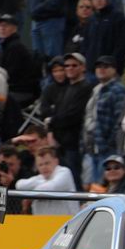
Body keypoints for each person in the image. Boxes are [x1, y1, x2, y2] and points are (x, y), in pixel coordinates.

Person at [86, 57, 125, 184]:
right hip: (94, 146)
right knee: (95, 187)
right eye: (99, 67)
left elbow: (119, 120)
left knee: (105, 185)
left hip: (108, 148)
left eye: (106, 67)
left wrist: (109, 143)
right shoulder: (96, 89)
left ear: (114, 70)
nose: (101, 69)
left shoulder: (118, 90)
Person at [49, 52, 91, 182]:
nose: (70, 68)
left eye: (74, 65)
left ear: (83, 67)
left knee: (74, 182)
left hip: (74, 144)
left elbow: (73, 116)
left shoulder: (86, 88)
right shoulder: (66, 88)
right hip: (60, 143)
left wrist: (52, 122)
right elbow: (55, 112)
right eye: (67, 66)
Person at [16, 146, 77, 211]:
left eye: (47, 163)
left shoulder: (64, 172)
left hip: (68, 217)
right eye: (40, 165)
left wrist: (30, 194)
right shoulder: (40, 178)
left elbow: (51, 188)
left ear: (56, 161)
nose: (44, 167)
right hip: (43, 217)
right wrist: (40, 185)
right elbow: (19, 185)